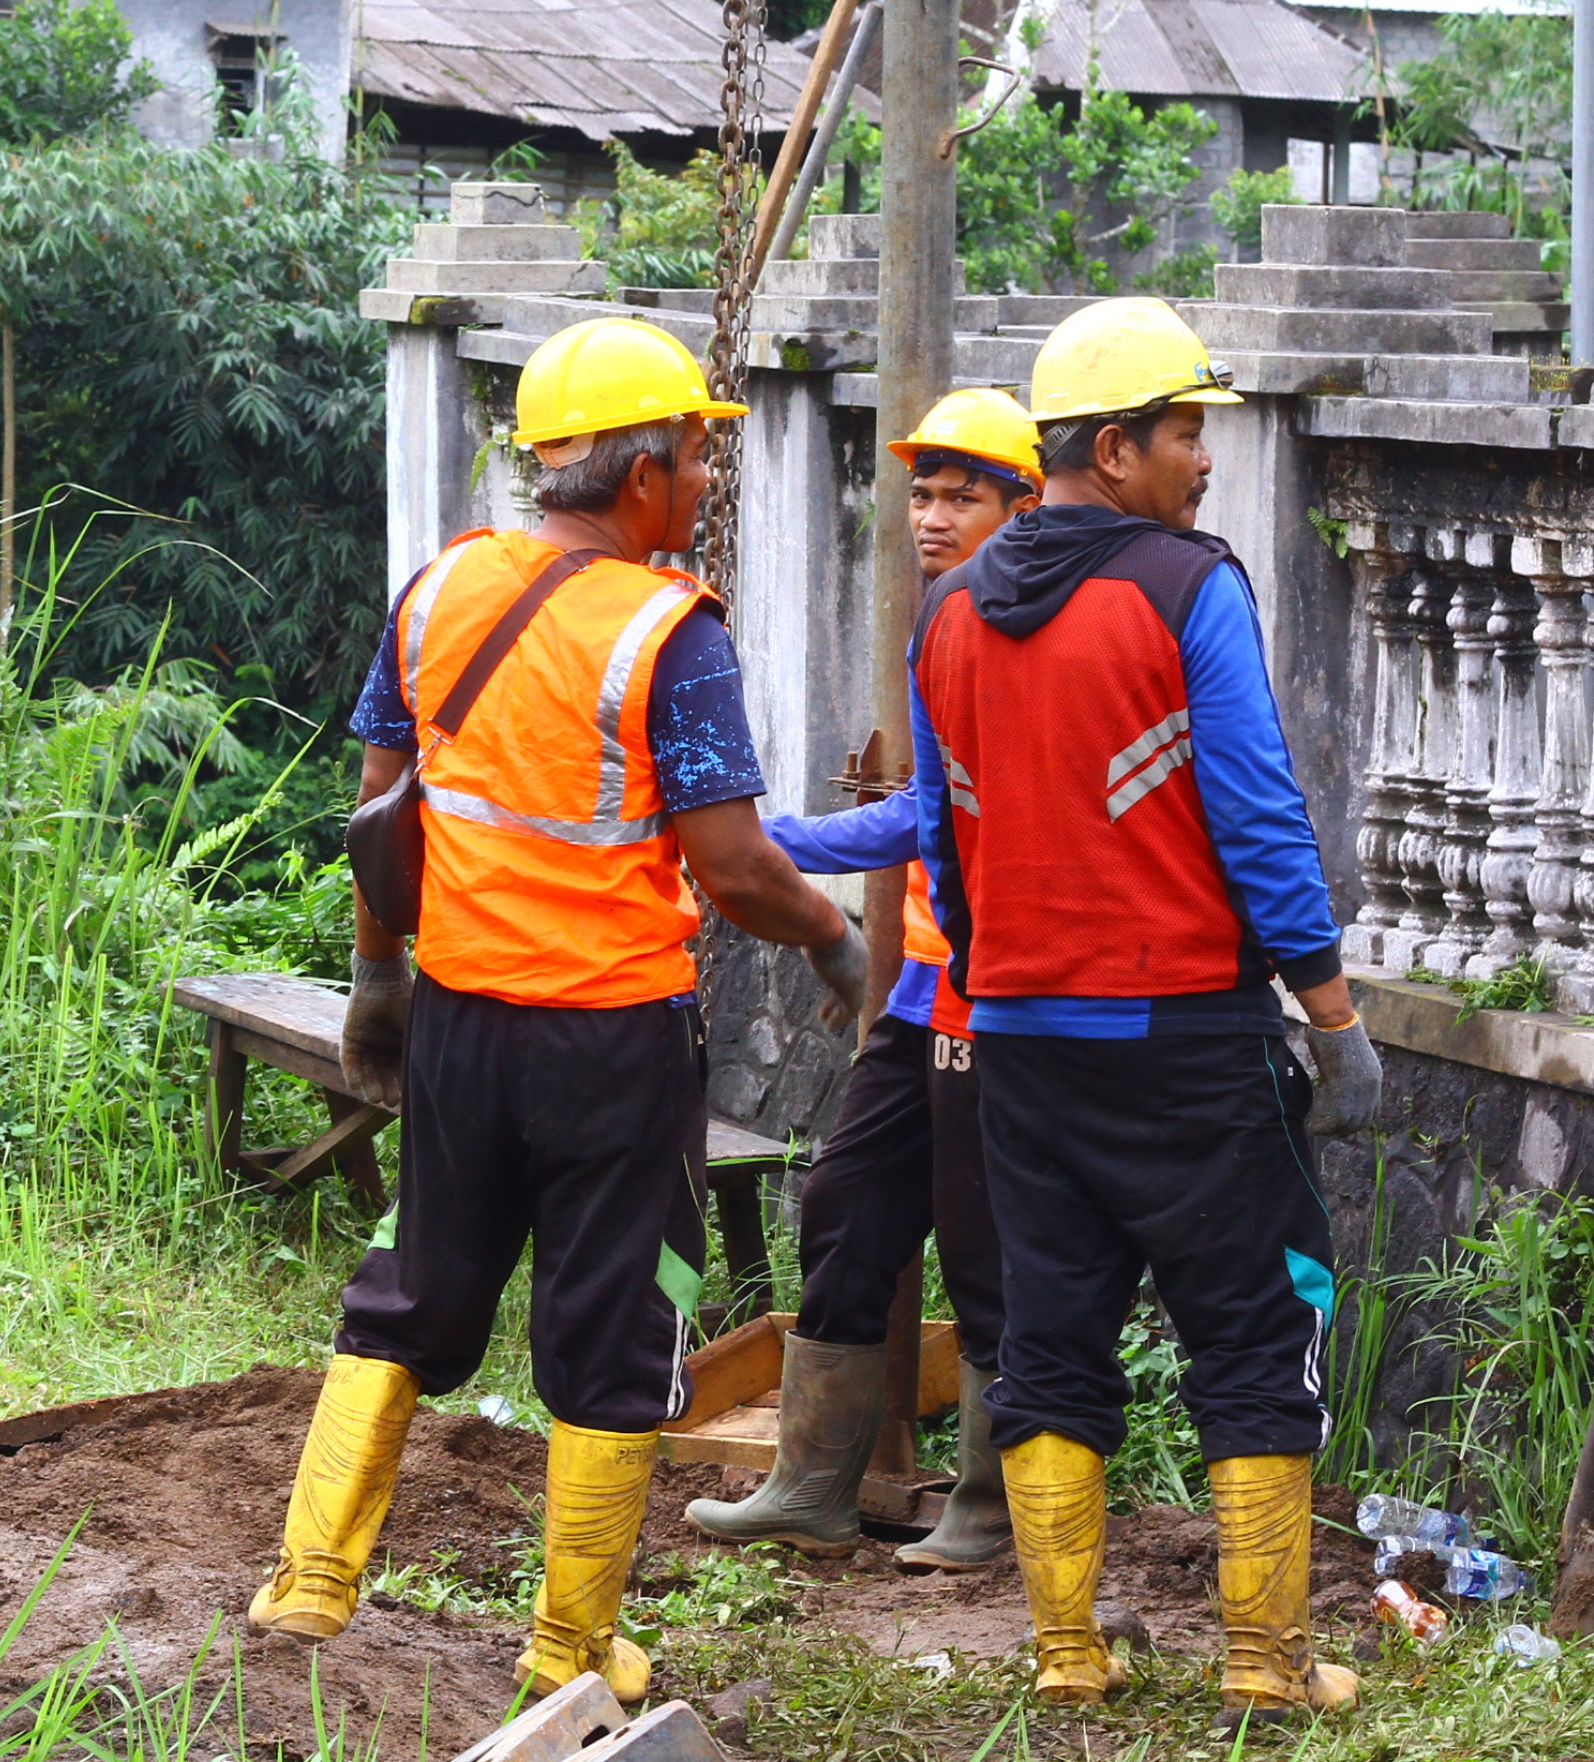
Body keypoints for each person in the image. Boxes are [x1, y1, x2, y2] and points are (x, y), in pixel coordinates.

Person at [253, 315, 868, 1706]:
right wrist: (833, 941)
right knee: (615, 1323)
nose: (707, 485)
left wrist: (377, 985)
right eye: (701, 458)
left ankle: (309, 1582)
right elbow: (732, 865)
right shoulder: (670, 632)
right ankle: (571, 1648)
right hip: (613, 1038)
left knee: (413, 1284)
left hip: (464, 1020)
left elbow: (381, 816)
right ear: (643, 474)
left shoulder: (441, 590)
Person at [910, 298, 1384, 1717]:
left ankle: (1066, 1658)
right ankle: (1266, 1662)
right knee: (1254, 1322)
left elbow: (947, 837)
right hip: (1186, 1038)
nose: (1201, 461)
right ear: (1112, 450)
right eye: (1185, 434)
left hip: (1020, 1039)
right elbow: (1256, 813)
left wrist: (997, 972)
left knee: (1049, 1335)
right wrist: (1334, 1013)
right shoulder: (1187, 585)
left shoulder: (950, 610)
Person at [687, 389, 1039, 1570]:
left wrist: (780, 844)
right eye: (924, 495)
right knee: (845, 1212)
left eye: (963, 496)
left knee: (988, 1244)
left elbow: (937, 824)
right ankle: (811, 1486)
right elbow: (926, 817)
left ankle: (989, 1510)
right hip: (924, 994)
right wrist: (770, 842)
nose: (932, 517)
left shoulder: (1035, 631)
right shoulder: (944, 620)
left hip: (997, 999)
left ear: (1025, 503)